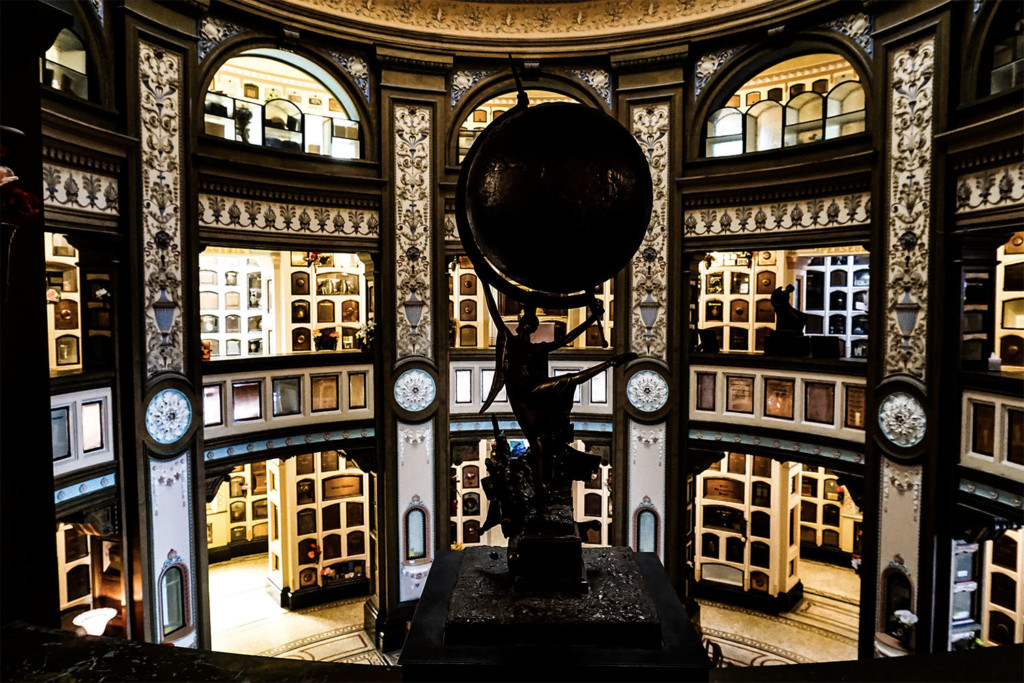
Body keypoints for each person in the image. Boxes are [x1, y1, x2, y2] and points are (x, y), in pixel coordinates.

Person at [481, 285, 636, 491]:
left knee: (564, 388)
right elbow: (494, 312)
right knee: (565, 387)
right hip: (519, 394)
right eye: (526, 324)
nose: (529, 328)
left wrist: (590, 320)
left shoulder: (537, 348)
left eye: (532, 325)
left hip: (532, 389)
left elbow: (566, 339)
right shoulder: (509, 340)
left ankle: (540, 484)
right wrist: (484, 282)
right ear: (520, 325)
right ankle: (610, 364)